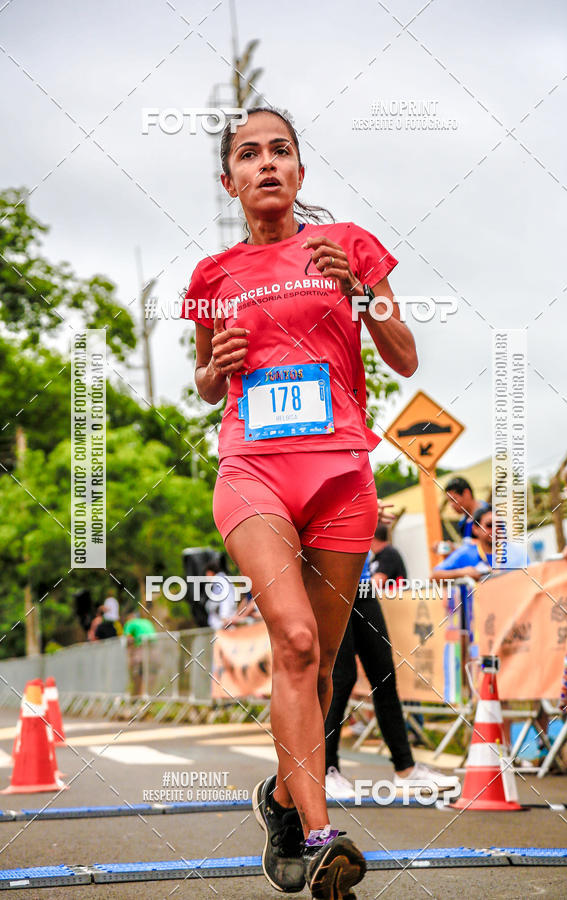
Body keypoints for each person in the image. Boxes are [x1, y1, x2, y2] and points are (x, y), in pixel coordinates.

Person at [181, 106, 417, 897]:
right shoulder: (213, 276)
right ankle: (321, 837)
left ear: (300, 171)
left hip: (342, 475)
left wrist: (363, 293)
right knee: (293, 637)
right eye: (249, 154)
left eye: (280, 150)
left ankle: (281, 802)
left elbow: (405, 357)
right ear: (231, 182)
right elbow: (206, 382)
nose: (267, 163)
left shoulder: (346, 246)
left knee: (316, 670)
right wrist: (216, 367)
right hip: (254, 471)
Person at [324, 532, 459, 801]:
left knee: (384, 676)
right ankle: (326, 770)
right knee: (342, 677)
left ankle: (405, 769)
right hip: (329, 581)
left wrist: (373, 514)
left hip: (361, 584)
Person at [444, 476, 487, 541]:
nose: (451, 505)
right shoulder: (463, 523)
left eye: (453, 499)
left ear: (466, 493)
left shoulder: (489, 516)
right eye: (449, 501)